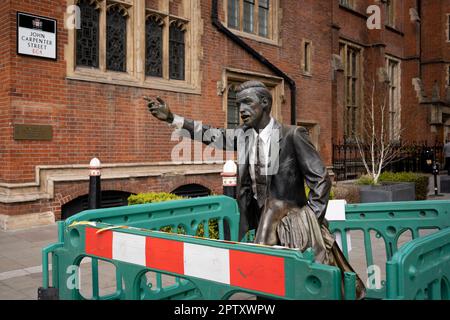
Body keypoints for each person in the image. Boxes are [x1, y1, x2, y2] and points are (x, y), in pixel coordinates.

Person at [145, 80, 365, 299]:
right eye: (238, 104)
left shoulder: (293, 135)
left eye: (247, 103)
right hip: (263, 222)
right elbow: (211, 134)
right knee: (267, 278)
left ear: (265, 103)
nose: (241, 109)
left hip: (292, 222)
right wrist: (174, 119)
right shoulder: (243, 136)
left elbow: (320, 179)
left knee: (298, 281)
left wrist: (309, 219)